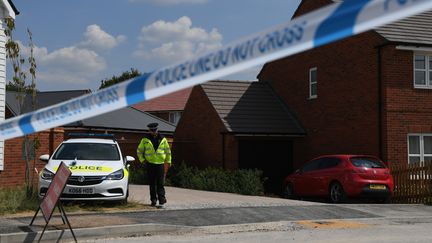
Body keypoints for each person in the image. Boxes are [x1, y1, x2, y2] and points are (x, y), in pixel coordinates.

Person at [136, 122, 172, 206]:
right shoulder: (145, 139)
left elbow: (168, 151)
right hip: (150, 164)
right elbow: (139, 151)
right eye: (152, 130)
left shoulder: (163, 139)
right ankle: (153, 200)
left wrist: (169, 161)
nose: (153, 132)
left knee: (160, 183)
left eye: (155, 130)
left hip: (160, 164)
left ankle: (162, 199)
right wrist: (142, 160)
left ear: (157, 129)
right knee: (152, 183)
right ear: (149, 130)